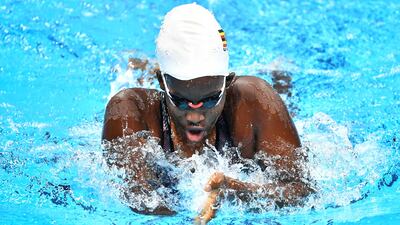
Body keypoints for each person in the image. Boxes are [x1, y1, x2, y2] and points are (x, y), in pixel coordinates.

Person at [102, 3, 314, 224]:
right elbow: (137, 198)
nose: (195, 116)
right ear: (162, 84)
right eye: (182, 101)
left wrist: (235, 190)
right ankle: (139, 66)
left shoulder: (254, 100)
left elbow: (302, 190)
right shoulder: (128, 111)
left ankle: (279, 70)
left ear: (228, 82)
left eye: (210, 99)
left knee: (285, 97)